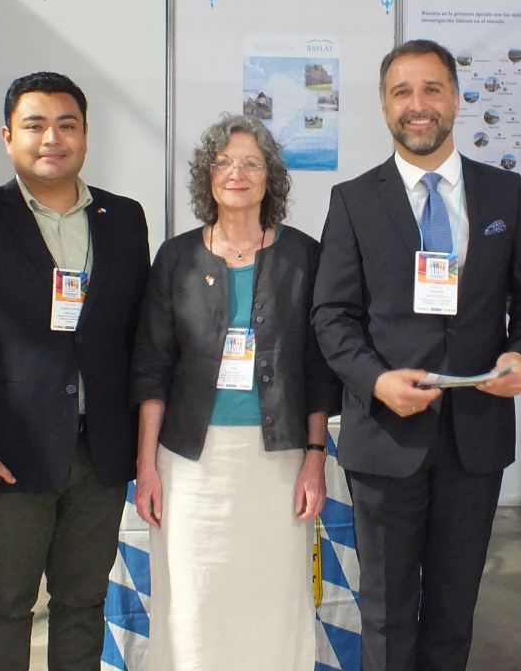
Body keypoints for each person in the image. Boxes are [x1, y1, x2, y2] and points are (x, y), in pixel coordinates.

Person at [312, 39, 521, 671]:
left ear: (456, 99)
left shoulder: (503, 193)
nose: (418, 105)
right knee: (386, 614)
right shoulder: (354, 200)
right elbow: (332, 316)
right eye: (402, 92)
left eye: (432, 89)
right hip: (385, 436)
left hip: (475, 436)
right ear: (384, 106)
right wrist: (376, 381)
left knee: (453, 610)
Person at [0, 72, 150, 671]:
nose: (52, 138)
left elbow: (138, 335)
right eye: (35, 125)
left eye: (66, 125)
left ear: (85, 135)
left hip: (101, 452)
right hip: (8, 455)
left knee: (84, 602)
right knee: (5, 603)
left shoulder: (124, 218)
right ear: (8, 137)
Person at [131, 114, 339, 671]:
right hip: (188, 464)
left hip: (279, 462)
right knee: (192, 599)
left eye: (251, 163)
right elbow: (152, 367)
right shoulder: (176, 257)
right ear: (207, 175)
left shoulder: (303, 256)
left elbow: (318, 369)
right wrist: (146, 466)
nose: (236, 173)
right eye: (223, 162)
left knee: (274, 597)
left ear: (271, 177)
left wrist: (314, 458)